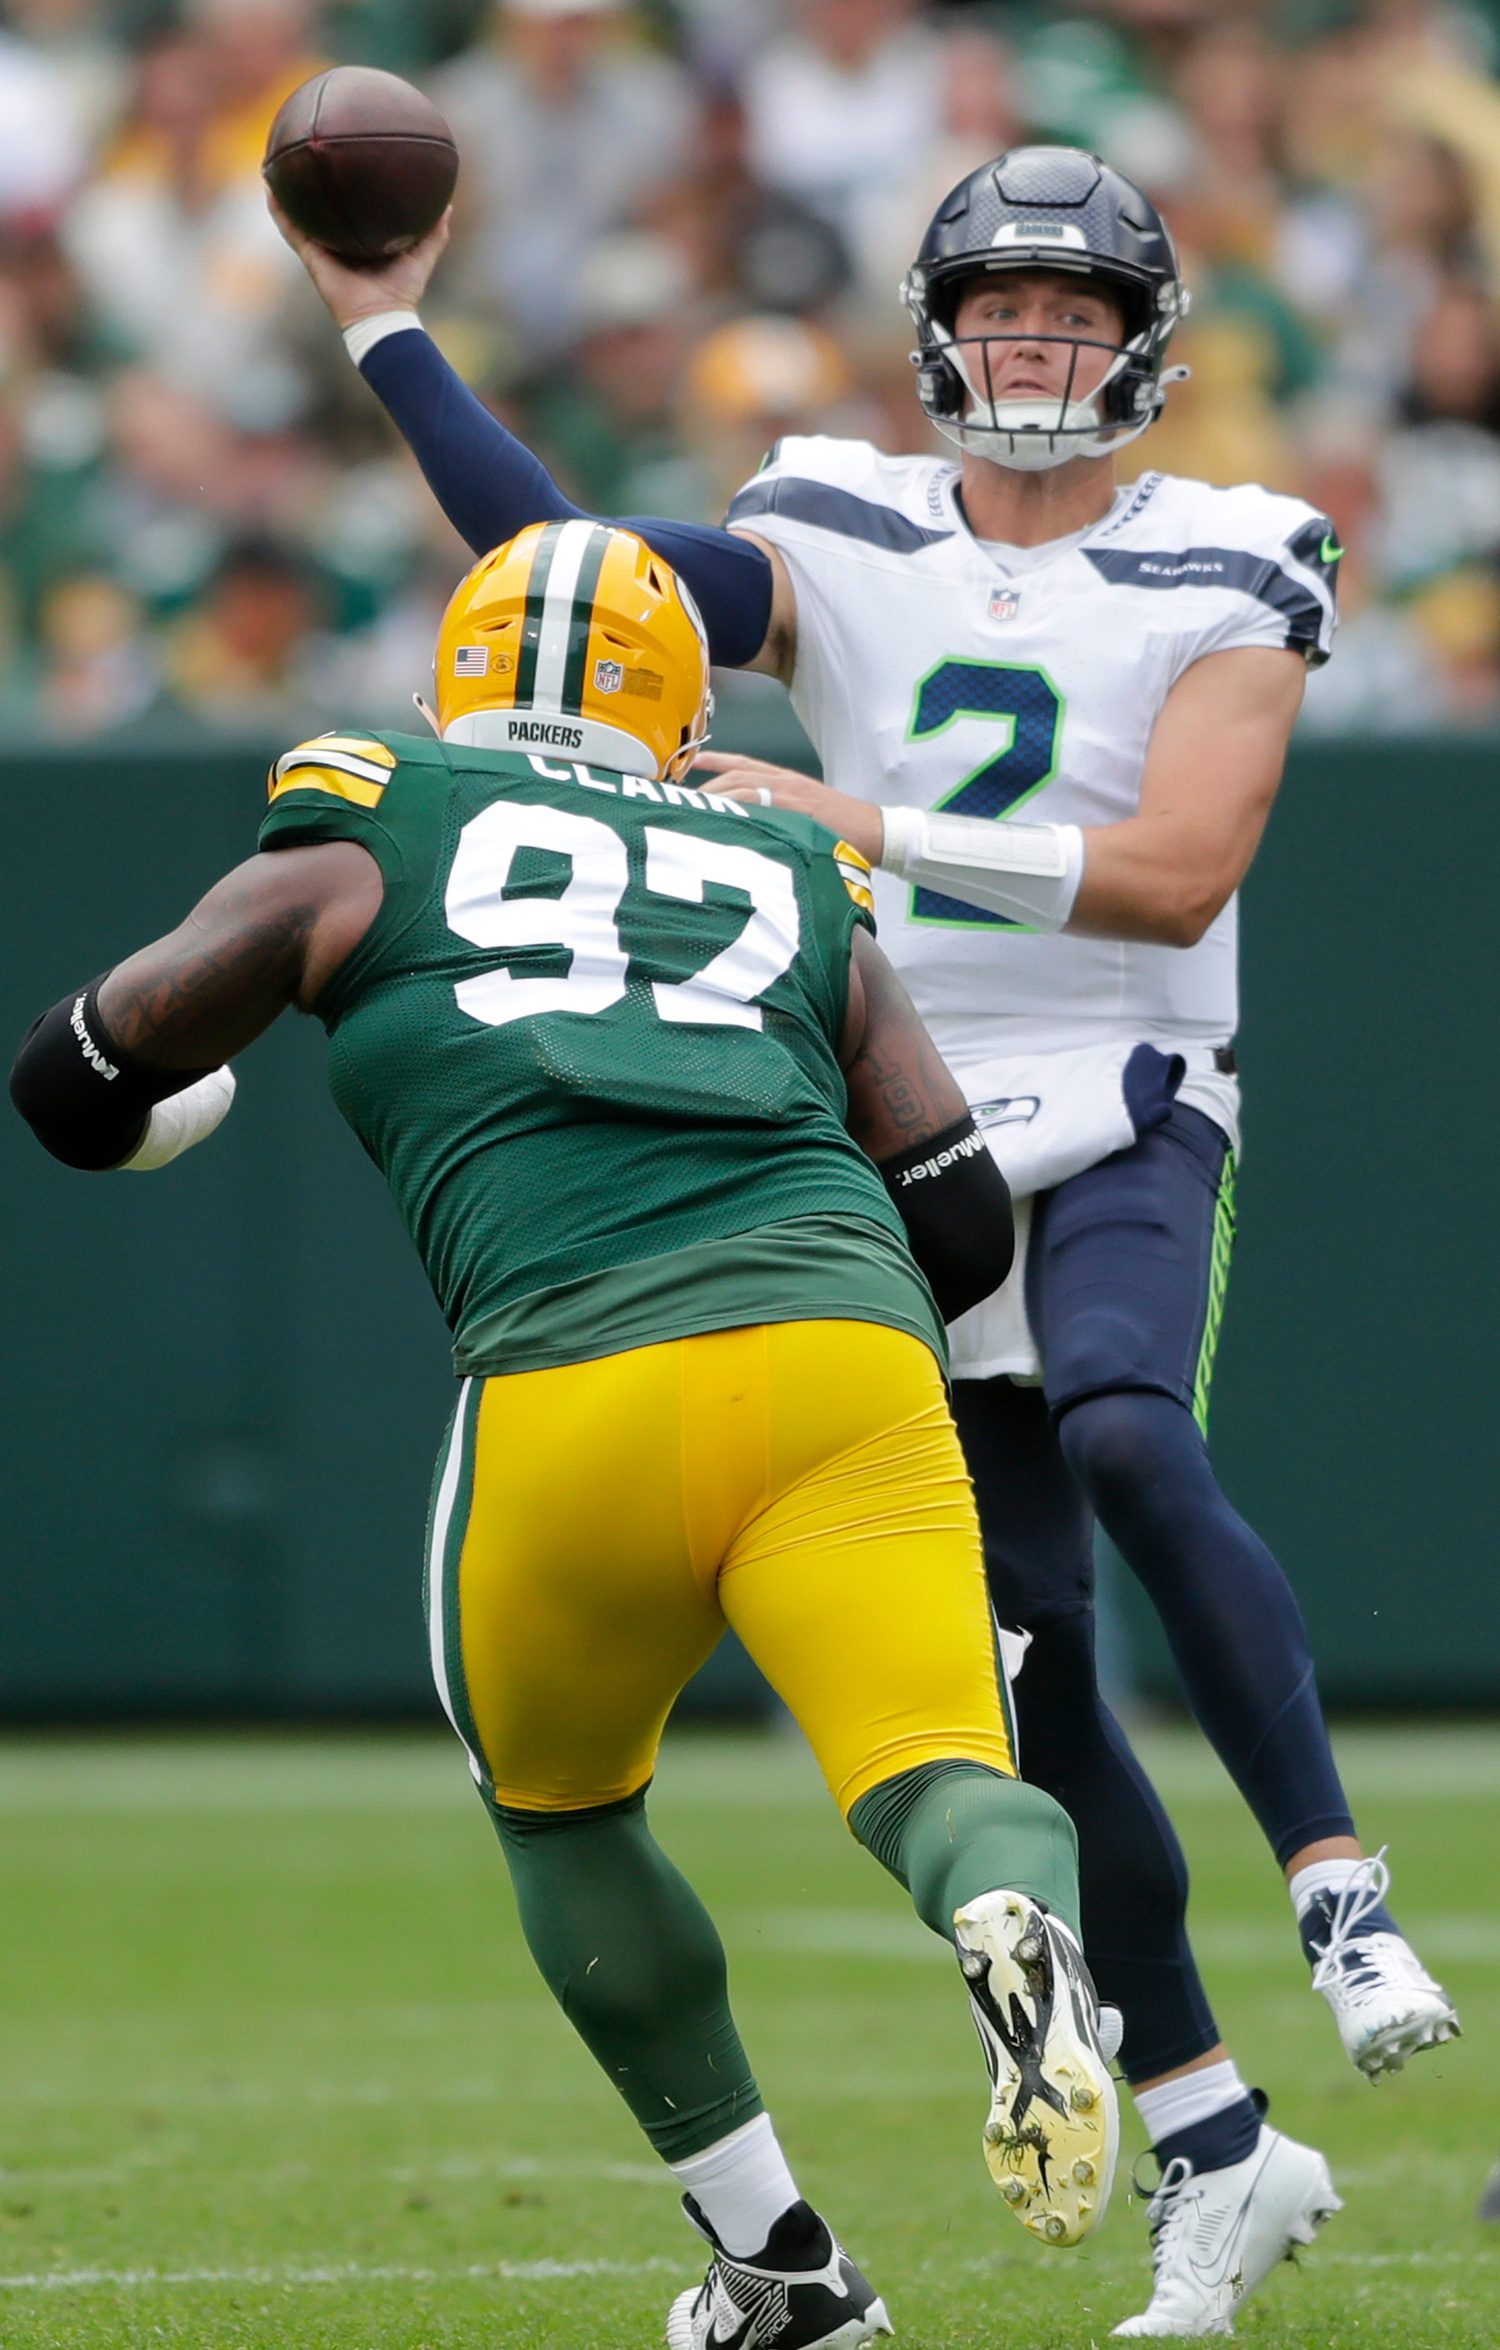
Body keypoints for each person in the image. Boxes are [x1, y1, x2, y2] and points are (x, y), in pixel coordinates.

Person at [271, 142, 1460, 2337]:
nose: (1033, 344)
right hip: (894, 1120)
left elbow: (1182, 869)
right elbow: (577, 573)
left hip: (1112, 1092)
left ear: (1144, 344)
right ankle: (1216, 2138)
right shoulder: (837, 511)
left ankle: (1340, 1889)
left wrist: (856, 815)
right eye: (1000, 305)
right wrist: (384, 324)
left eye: (1074, 314)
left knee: (1118, 1427)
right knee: (1014, 1673)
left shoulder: (1235, 552)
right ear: (936, 328)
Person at [11, 522, 1122, 2350]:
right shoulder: (784, 851)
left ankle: (782, 2264)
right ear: (682, 697)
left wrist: (161, 1093)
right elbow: (960, 1220)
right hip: (848, 1355)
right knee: (937, 1768)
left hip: (578, 1369)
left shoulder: (373, 809)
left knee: (564, 1808)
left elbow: (78, 1070)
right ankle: (1013, 1918)